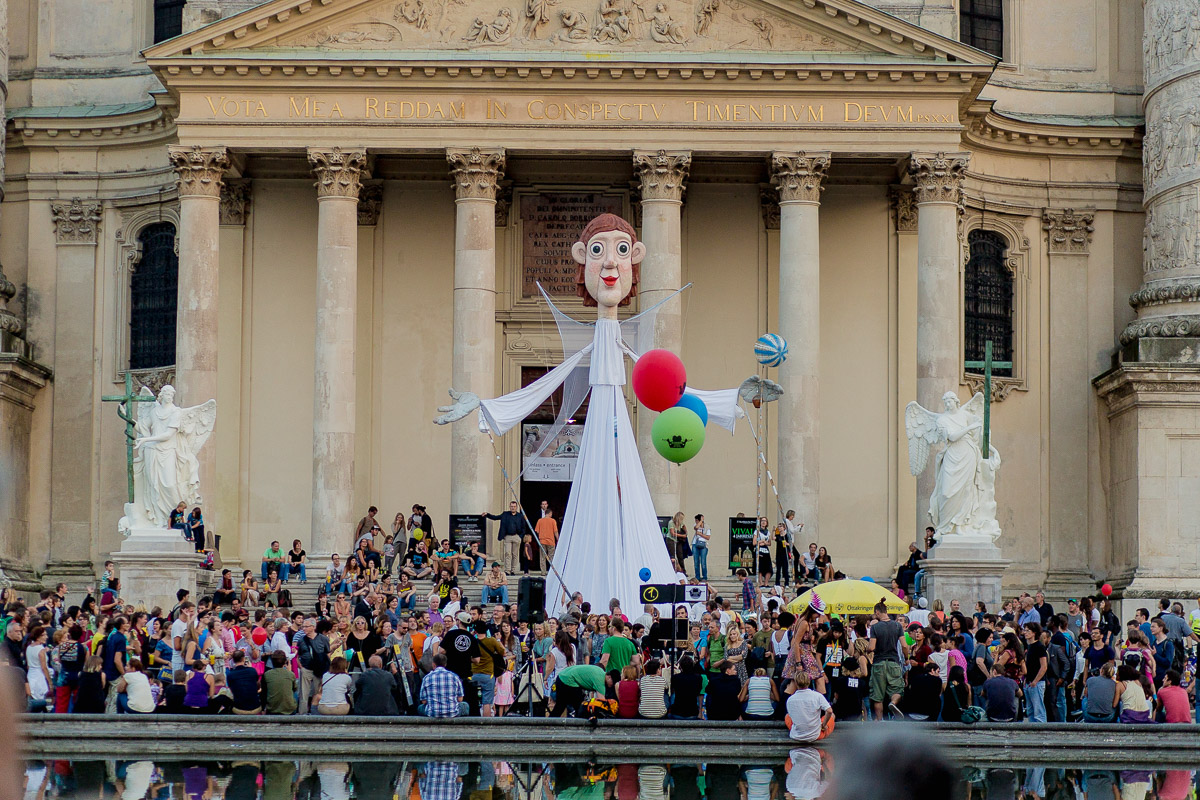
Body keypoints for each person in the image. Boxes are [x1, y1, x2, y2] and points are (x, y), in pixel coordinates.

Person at [867, 600, 906, 719]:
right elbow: (904, 645)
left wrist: (867, 649)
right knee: (898, 690)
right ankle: (893, 703)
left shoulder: (875, 627)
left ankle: (879, 721)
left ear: (877, 612)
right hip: (893, 662)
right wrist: (907, 658)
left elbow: (872, 647)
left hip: (879, 663)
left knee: (877, 695)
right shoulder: (897, 625)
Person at [785, 672, 833, 743]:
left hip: (796, 735)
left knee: (787, 716)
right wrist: (824, 724)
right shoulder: (817, 696)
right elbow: (829, 711)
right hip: (815, 735)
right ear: (809, 681)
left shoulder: (790, 700)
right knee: (832, 716)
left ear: (796, 683)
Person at [484, 501, 527, 575]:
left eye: (514, 506)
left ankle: (513, 570)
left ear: (516, 507)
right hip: (507, 536)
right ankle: (508, 570)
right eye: (511, 506)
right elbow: (495, 517)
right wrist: (487, 515)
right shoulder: (505, 514)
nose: (513, 508)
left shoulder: (520, 516)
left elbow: (524, 527)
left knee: (515, 554)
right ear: (509, 507)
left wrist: (521, 536)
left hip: (517, 536)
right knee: (507, 553)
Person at [420, 653, 468, 717]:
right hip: (452, 713)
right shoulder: (455, 677)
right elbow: (460, 699)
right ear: (445, 664)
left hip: (432, 713)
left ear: (433, 664)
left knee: (420, 708)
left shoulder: (426, 678)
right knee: (465, 705)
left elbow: (424, 701)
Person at [1022, 621, 1048, 723]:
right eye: (1025, 630)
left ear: (1034, 633)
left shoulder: (1039, 647)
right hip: (1029, 682)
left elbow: (1044, 666)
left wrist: (1035, 681)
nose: (1025, 633)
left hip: (1037, 683)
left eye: (1028, 631)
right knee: (1030, 710)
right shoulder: (1029, 647)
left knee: (1038, 710)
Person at [225, 650, 262, 714]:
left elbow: (232, 690)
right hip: (255, 707)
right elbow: (258, 686)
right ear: (243, 659)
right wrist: (251, 668)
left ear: (233, 660)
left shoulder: (230, 675)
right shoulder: (252, 671)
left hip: (239, 708)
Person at [262, 650, 298, 715]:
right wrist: (289, 672)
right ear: (285, 662)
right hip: (289, 709)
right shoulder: (291, 674)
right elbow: (294, 688)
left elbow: (264, 692)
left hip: (272, 708)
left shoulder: (267, 674)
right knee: (295, 692)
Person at [691, 514, 711, 581]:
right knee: (696, 562)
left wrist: (700, 534)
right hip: (695, 544)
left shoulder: (707, 527)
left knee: (703, 562)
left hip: (704, 545)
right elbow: (696, 527)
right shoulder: (696, 525)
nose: (696, 521)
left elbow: (708, 537)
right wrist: (700, 522)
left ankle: (704, 576)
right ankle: (697, 576)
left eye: (697, 520)